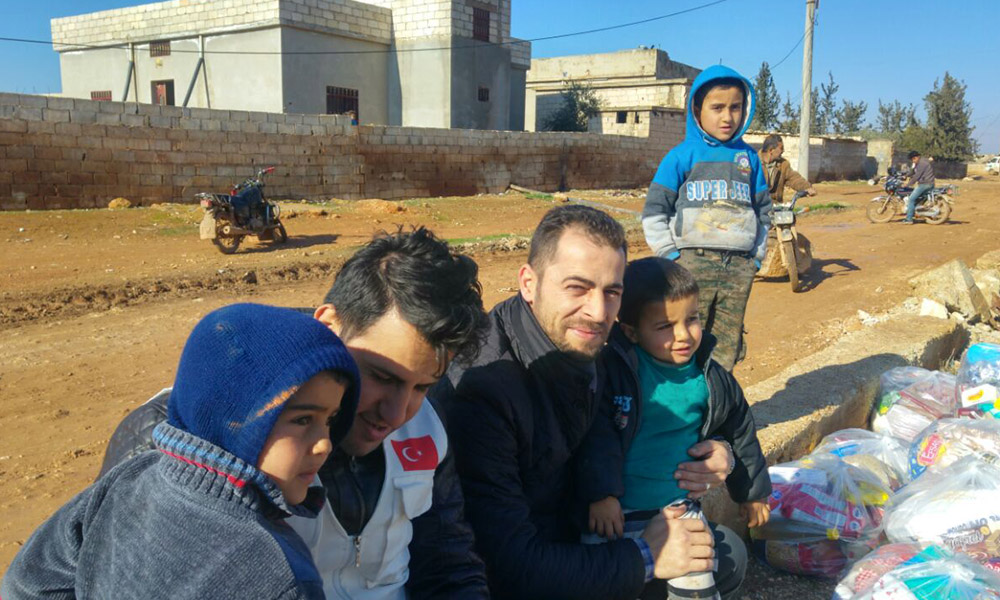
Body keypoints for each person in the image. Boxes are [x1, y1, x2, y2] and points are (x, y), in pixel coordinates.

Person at [95, 227, 492, 600]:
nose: (397, 413)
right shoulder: (180, 436)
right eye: (381, 376)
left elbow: (448, 565)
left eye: (423, 387)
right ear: (330, 324)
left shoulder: (427, 429)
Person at [435, 205, 734, 600]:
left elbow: (654, 409)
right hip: (522, 570)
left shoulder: (592, 345)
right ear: (529, 283)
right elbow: (508, 564)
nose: (597, 312)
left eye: (612, 292)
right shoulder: (484, 390)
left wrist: (718, 452)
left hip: (579, 530)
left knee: (723, 553)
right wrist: (646, 555)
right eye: (577, 288)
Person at [2, 304, 361, 599]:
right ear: (230, 417)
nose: (325, 444)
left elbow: (28, 583)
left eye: (330, 420)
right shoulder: (282, 575)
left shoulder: (129, 478)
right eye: (302, 420)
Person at [578, 257, 772, 600]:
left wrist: (751, 492)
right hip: (613, 516)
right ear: (631, 331)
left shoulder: (711, 376)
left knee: (697, 585)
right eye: (665, 326)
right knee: (601, 583)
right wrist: (601, 495)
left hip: (679, 511)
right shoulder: (613, 372)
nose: (684, 335)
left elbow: (739, 427)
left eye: (692, 319)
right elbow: (596, 435)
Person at [641, 65, 773, 371]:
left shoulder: (749, 158)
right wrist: (671, 256)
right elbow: (655, 210)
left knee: (727, 343)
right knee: (684, 338)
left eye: (735, 107)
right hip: (691, 264)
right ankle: (686, 397)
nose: (728, 117)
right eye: (717, 108)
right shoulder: (681, 156)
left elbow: (763, 212)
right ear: (697, 110)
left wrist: (755, 258)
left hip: (738, 268)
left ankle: (720, 397)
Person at [757, 134, 816, 204]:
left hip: (775, 206)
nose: (783, 151)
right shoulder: (753, 162)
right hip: (755, 206)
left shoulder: (783, 164)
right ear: (771, 150)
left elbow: (793, 178)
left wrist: (806, 187)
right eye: (781, 148)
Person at [903, 150, 935, 224]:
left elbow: (917, 176)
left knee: (911, 199)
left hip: (925, 184)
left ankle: (909, 219)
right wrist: (905, 175)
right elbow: (913, 171)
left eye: (913, 159)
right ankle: (917, 211)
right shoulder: (920, 162)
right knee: (917, 199)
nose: (912, 161)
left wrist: (908, 184)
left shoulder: (922, 163)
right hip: (928, 183)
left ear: (916, 157)